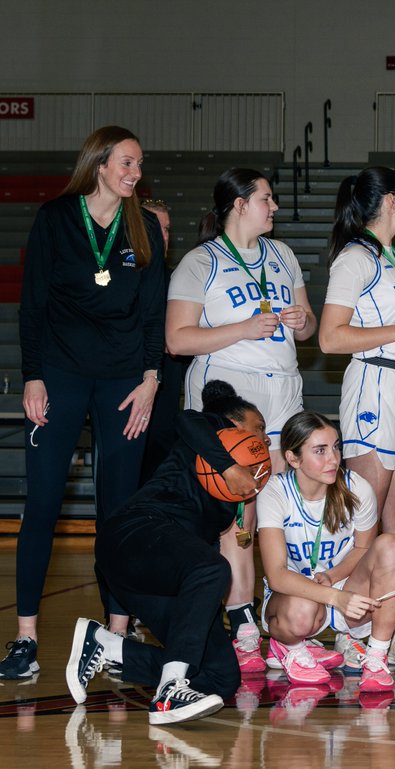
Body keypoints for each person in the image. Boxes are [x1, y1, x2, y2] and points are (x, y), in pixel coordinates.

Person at [4, 126, 166, 680]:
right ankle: (25, 639)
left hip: (124, 383)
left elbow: (152, 314)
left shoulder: (143, 228)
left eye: (139, 165)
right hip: (60, 377)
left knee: (118, 512)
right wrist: (32, 377)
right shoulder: (55, 219)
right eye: (127, 163)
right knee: (43, 505)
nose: (135, 173)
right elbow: (33, 307)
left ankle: (117, 636)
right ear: (99, 164)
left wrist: (150, 379)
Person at [166, 167, 317, 673]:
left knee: (278, 502)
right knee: (238, 507)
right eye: (266, 199)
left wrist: (303, 322)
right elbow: (177, 340)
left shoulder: (283, 255)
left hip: (284, 391)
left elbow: (310, 326)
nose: (274, 208)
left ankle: (282, 615)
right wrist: (243, 328)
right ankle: (240, 618)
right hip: (231, 391)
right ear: (238, 204)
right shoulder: (198, 262)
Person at [66, 380, 263, 724]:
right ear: (231, 425)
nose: (266, 440)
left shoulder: (223, 506)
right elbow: (188, 419)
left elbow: (199, 570)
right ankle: (170, 690)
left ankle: (107, 647)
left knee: (221, 677)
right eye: (259, 429)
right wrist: (230, 467)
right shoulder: (205, 434)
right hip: (133, 533)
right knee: (214, 568)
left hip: (152, 574)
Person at [319, 167, 395, 526]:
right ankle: (330, 581)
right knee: (363, 516)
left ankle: (391, 584)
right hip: (377, 384)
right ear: (390, 201)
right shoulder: (355, 258)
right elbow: (330, 338)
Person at [257, 411, 395, 695]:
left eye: (336, 447)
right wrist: (336, 597)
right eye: (320, 451)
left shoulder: (356, 487)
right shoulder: (275, 492)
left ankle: (376, 656)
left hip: (344, 586)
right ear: (293, 459)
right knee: (300, 610)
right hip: (294, 598)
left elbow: (364, 548)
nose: (334, 458)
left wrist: (333, 576)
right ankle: (290, 645)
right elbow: (276, 575)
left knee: (392, 544)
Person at [140, 199, 190, 485]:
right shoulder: (120, 281)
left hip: (166, 398)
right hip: (125, 391)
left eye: (167, 229)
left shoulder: (178, 281)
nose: (163, 237)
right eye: (154, 228)